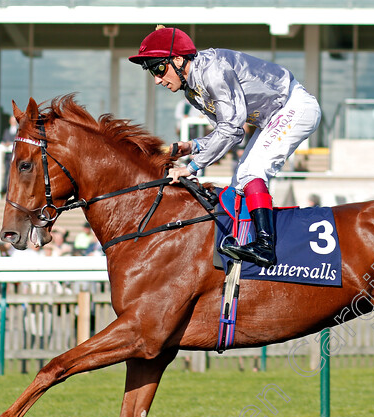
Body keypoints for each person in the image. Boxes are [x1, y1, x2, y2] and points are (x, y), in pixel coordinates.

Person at [130, 25, 321, 268]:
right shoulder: (192, 91)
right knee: (240, 181)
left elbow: (231, 130)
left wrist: (191, 167)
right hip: (272, 117)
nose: (157, 80)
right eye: (152, 72)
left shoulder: (212, 71)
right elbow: (226, 131)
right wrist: (193, 145)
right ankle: (245, 243)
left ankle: (265, 247)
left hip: (294, 107)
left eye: (159, 68)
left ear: (178, 59)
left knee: (253, 173)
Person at [0, 115, 19, 195]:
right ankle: (5, 188)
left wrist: (11, 143)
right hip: (8, 156)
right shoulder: (6, 131)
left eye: (14, 120)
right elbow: (3, 140)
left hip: (17, 156)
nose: (13, 122)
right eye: (11, 120)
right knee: (6, 172)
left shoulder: (19, 131)